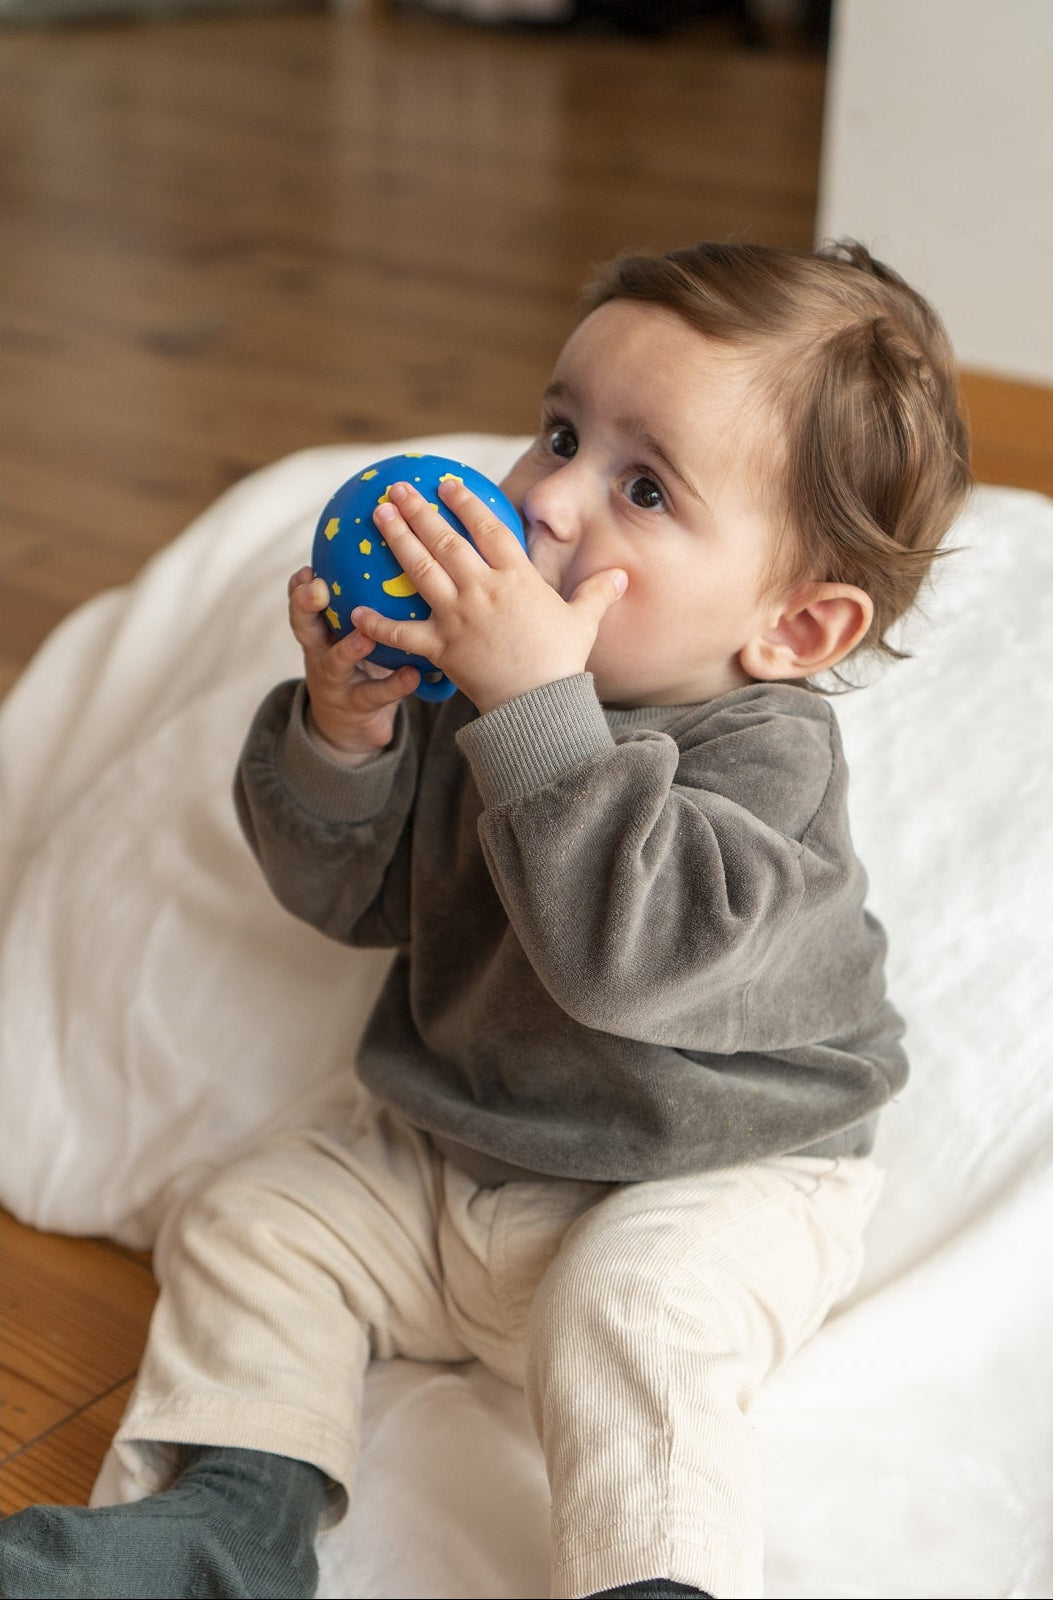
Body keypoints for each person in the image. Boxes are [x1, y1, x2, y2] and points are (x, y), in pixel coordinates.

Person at [0, 240, 970, 1600]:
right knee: (255, 1215)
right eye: (558, 432)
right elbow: (355, 902)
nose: (552, 498)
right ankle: (232, 1513)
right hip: (458, 1150)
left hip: (703, 1173)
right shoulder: (476, 697)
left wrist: (532, 714)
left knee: (634, 1322)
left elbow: (631, 961)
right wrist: (348, 729)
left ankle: (655, 1579)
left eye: (641, 487)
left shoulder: (768, 764)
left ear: (795, 629)